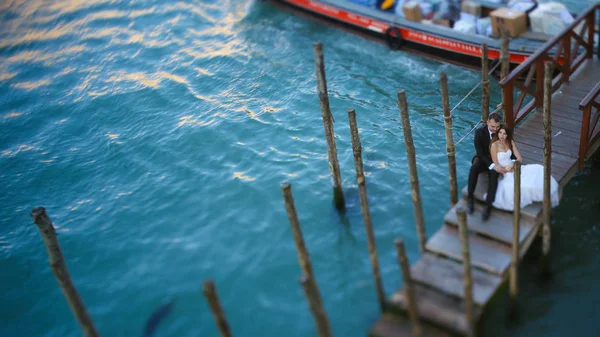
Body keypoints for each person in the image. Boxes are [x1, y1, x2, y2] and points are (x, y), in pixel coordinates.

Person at [488, 125, 560, 211]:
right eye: (500, 133)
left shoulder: (510, 142)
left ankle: (546, 195)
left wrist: (512, 165)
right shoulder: (494, 146)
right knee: (517, 185)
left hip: (513, 166)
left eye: (504, 134)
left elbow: (519, 159)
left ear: (508, 135)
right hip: (505, 170)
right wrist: (506, 169)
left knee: (538, 170)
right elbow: (496, 164)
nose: (502, 136)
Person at [467, 113, 508, 221]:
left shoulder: (502, 133)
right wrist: (492, 165)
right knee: (474, 168)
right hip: (482, 159)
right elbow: (480, 152)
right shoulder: (479, 132)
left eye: (497, 127)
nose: (495, 129)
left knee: (494, 175)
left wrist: (498, 164)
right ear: (487, 122)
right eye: (492, 126)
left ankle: (488, 205)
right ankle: (470, 197)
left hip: (497, 159)